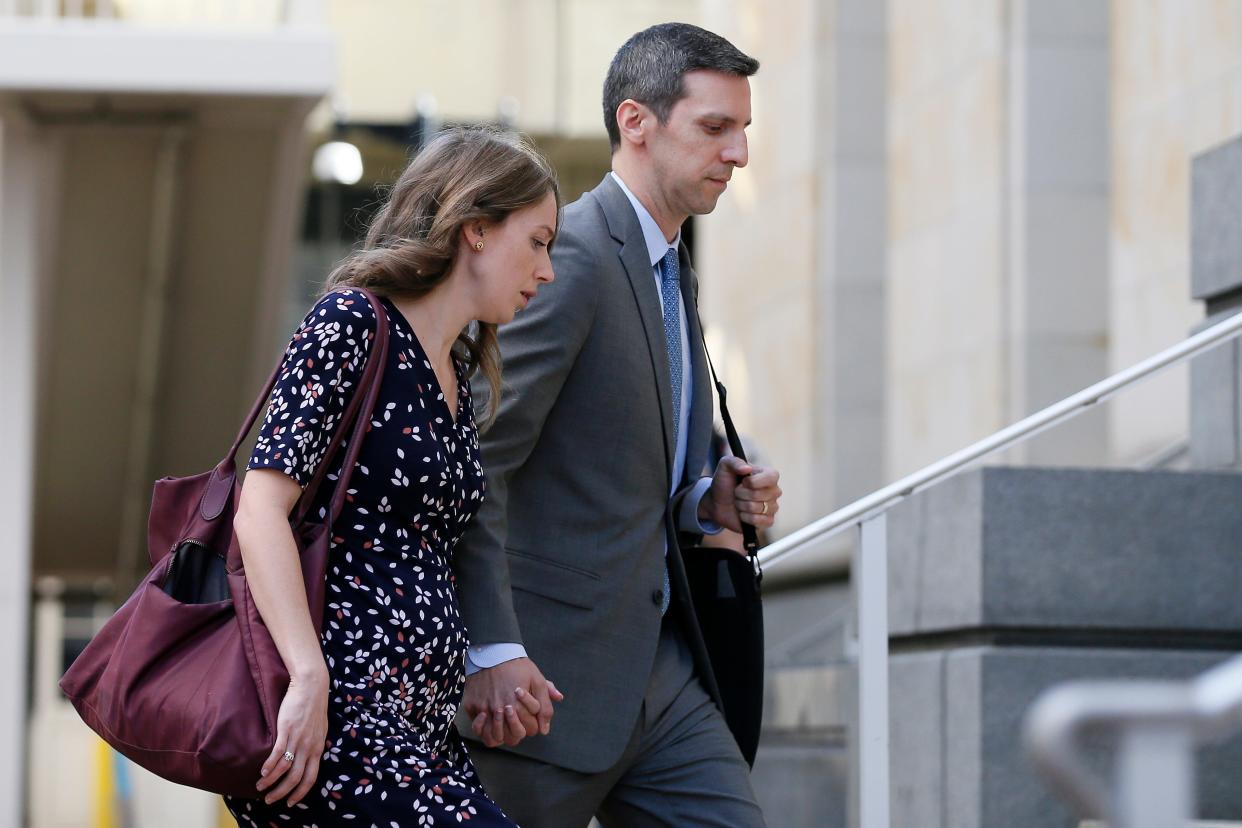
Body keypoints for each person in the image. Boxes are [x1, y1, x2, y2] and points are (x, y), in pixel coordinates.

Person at [456, 23, 783, 828]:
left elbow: (620, 458)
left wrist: (707, 496)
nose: (738, 152)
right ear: (636, 122)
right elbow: (478, 463)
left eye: (744, 129)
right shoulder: (567, 254)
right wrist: (492, 650)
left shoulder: (672, 266)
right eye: (715, 127)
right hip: (542, 685)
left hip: (664, 676)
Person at [224, 127, 564, 827]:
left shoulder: (456, 376)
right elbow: (259, 511)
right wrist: (309, 676)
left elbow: (415, 552)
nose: (548, 270)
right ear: (475, 227)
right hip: (338, 719)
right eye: (537, 241)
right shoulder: (351, 323)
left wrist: (470, 669)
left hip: (421, 730)